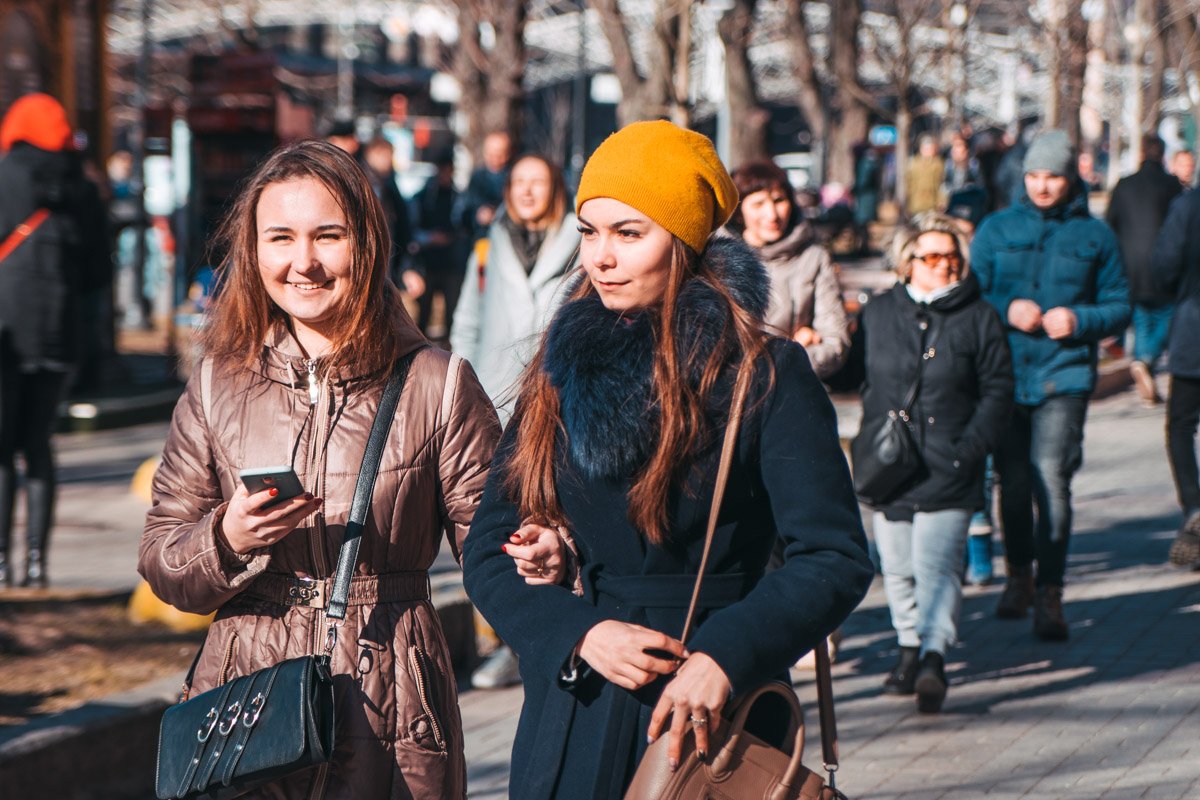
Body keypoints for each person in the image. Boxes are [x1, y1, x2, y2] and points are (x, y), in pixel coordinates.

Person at [461, 120, 873, 800]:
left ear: (682, 241)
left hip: (709, 722)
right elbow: (484, 549)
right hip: (577, 710)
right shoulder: (561, 366)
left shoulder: (764, 372)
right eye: (589, 231)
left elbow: (833, 555)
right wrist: (575, 626)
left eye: (629, 233)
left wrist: (725, 657)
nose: (600, 257)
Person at [138, 140, 501, 798]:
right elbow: (163, 560)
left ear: (366, 243)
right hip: (245, 696)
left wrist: (540, 553)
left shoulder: (438, 383)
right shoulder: (219, 384)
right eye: (280, 237)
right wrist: (227, 538)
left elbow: (500, 555)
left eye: (327, 236)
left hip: (390, 695)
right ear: (253, 249)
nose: (302, 262)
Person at [971, 130, 1131, 641]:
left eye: (1053, 177)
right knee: (1013, 485)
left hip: (1064, 374)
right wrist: (1005, 308)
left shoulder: (1096, 236)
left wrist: (1080, 320)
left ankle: (1050, 592)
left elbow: (1121, 304)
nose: (1042, 186)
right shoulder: (995, 230)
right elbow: (968, 297)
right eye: (1035, 175)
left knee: (1051, 479)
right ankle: (1019, 574)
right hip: (1004, 375)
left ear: (1071, 178)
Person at [854, 213, 1012, 712]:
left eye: (951, 256)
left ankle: (933, 656)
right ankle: (906, 646)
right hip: (890, 465)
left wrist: (970, 450)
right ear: (907, 263)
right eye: (930, 256)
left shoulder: (979, 316)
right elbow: (860, 378)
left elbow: (999, 390)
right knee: (897, 566)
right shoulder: (880, 312)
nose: (943, 265)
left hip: (951, 463)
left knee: (936, 567)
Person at [450, 153, 579, 689]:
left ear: (555, 189)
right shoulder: (488, 247)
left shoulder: (579, 239)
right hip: (493, 402)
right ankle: (505, 641)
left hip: (555, 400)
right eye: (519, 183)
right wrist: (459, 389)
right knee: (493, 524)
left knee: (551, 516)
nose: (527, 192)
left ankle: (557, 631)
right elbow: (467, 320)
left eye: (538, 183)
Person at [0, 93, 110, 587]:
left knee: (2, 446)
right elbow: (97, 274)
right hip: (59, 332)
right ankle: (39, 563)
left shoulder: (5, 175)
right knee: (38, 442)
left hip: (6, 329)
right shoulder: (83, 188)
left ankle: (1, 561)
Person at [726, 159, 850, 379]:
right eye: (758, 204)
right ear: (738, 212)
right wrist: (793, 350)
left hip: (792, 396)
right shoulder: (718, 259)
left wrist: (779, 365)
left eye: (779, 200)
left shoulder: (813, 258)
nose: (772, 214)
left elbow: (835, 344)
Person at [1105, 134, 1182, 406]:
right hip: (1163, 265)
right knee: (1167, 315)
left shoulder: (1124, 185)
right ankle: (1145, 360)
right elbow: (1179, 227)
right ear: (1162, 155)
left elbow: (1109, 225)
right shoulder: (1171, 185)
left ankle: (1142, 364)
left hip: (1129, 265)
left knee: (1141, 319)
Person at [1150, 179, 1200, 567]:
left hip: (1194, 331)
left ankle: (1194, 506)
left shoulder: (1188, 206)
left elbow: (1164, 265)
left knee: (1181, 426)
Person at [413, 150, 469, 338]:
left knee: (452, 315)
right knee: (423, 314)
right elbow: (413, 228)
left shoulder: (459, 198)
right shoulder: (423, 197)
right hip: (428, 263)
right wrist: (430, 238)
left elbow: (466, 227)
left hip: (452, 264)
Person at [361, 136, 424, 299]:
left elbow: (402, 227)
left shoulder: (387, 183)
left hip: (386, 264)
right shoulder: (365, 184)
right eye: (386, 155)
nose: (389, 161)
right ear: (373, 154)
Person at [462, 131, 512, 241]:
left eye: (499, 154)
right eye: (491, 153)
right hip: (480, 237)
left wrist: (498, 214)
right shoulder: (477, 177)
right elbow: (465, 209)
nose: (494, 158)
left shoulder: (513, 177)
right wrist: (477, 215)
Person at [906, 135, 944, 217]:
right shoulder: (913, 163)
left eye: (930, 148)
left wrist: (941, 200)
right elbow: (909, 183)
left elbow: (941, 184)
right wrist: (907, 203)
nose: (928, 151)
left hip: (932, 204)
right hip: (916, 204)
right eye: (925, 148)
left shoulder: (938, 164)